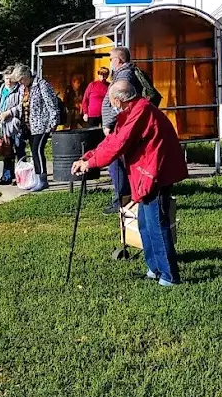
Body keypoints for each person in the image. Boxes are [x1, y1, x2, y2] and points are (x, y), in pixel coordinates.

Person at [72, 79, 187, 287]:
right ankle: (155, 267)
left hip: (156, 172)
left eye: (110, 101)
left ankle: (170, 275)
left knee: (156, 224)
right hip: (147, 171)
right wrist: (88, 157)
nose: (110, 104)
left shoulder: (140, 111)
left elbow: (119, 144)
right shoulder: (131, 111)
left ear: (118, 100)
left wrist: (90, 164)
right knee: (144, 223)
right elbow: (112, 140)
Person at [100, 48, 143, 215]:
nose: (110, 62)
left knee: (115, 162)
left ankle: (122, 199)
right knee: (117, 163)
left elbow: (120, 103)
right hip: (118, 125)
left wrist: (108, 124)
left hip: (119, 126)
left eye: (111, 58)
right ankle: (125, 197)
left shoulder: (125, 75)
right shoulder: (121, 74)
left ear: (118, 60)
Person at [13, 65, 61, 192]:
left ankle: (42, 180)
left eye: (21, 79)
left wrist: (53, 121)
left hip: (42, 124)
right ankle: (37, 178)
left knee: (37, 150)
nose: (20, 83)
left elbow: (52, 103)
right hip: (30, 126)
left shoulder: (42, 85)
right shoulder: (24, 88)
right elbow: (22, 106)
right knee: (34, 152)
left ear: (27, 76)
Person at [0, 71, 24, 185]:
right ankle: (7, 177)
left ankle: (21, 177)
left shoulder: (19, 90)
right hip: (3, 125)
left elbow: (21, 106)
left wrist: (8, 113)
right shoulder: (1, 90)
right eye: (6, 79)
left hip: (15, 125)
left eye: (11, 79)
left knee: (19, 150)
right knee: (6, 152)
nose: (8, 81)